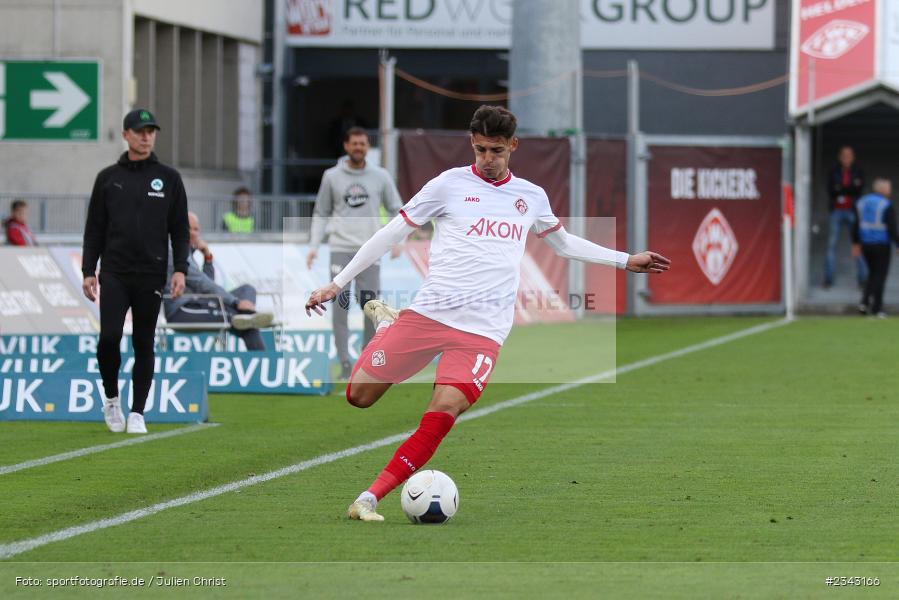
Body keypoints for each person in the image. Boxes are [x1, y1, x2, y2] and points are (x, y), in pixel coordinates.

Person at [305, 105, 671, 522]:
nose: (487, 159)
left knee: (442, 412)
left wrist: (626, 261)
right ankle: (387, 325)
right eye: (480, 150)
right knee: (359, 397)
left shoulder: (530, 196)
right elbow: (392, 231)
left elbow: (565, 245)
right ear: (471, 144)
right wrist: (338, 283)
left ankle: (369, 498)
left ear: (513, 146)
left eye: (496, 150)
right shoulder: (448, 185)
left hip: (481, 333)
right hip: (429, 314)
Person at [82, 108, 189, 434]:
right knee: (110, 338)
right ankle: (112, 398)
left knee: (144, 342)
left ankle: (138, 412)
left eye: (151, 131)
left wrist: (180, 269)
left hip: (151, 273)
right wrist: (89, 269)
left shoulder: (169, 178)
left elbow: (180, 229)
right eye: (140, 131)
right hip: (114, 271)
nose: (146, 136)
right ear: (127, 134)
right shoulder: (108, 178)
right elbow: (95, 227)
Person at [306, 126, 403, 379]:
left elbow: (397, 208)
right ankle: (344, 362)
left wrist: (398, 241)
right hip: (340, 248)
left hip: (370, 250)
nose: (359, 147)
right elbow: (321, 212)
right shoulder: (331, 176)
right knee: (340, 306)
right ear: (346, 146)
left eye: (363, 144)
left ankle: (366, 359)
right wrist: (314, 246)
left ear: (367, 147)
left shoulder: (380, 176)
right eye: (354, 143)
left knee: (371, 306)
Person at [163, 211, 273, 350]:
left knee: (247, 290)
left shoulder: (188, 252)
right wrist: (236, 302)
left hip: (199, 304)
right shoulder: (173, 250)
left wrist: (207, 258)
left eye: (196, 229)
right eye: (188, 228)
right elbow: (202, 284)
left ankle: (250, 317)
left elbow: (206, 283)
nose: (193, 233)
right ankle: (252, 319)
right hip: (182, 310)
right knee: (247, 324)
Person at [852, 178, 899, 318]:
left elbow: (856, 224)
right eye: (889, 188)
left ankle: (864, 303)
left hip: (865, 244)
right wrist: (897, 244)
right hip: (881, 244)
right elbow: (892, 227)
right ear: (882, 189)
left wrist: (855, 243)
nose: (890, 191)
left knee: (872, 274)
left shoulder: (861, 202)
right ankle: (877, 308)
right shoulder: (886, 204)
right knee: (880, 275)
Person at [824, 146, 867, 289]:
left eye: (849, 155)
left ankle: (863, 279)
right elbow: (831, 190)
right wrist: (847, 188)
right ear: (840, 157)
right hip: (836, 210)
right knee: (831, 245)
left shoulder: (858, 171)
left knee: (857, 243)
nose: (846, 158)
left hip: (852, 210)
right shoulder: (834, 171)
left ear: (853, 157)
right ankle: (828, 279)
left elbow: (858, 189)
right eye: (844, 155)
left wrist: (841, 188)